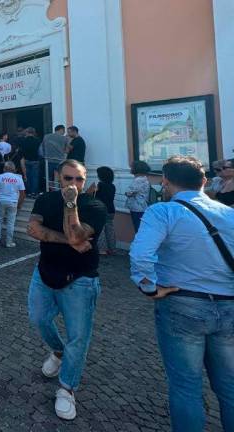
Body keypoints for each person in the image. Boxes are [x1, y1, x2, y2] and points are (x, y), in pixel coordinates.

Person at [129, 156, 234, 432]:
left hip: (183, 303)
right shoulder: (230, 214)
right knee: (230, 388)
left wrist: (149, 287)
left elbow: (140, 256)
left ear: (165, 181)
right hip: (228, 305)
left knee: (186, 387)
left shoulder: (162, 211)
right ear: (204, 182)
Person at [25, 159, 107, 420]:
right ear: (57, 176)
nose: (73, 184)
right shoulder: (45, 200)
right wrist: (67, 241)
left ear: (85, 180)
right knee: (38, 317)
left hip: (81, 279)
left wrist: (71, 204)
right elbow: (33, 229)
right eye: (68, 178)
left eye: (79, 179)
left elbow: (76, 235)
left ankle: (67, 388)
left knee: (78, 337)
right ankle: (58, 351)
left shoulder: (94, 205)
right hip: (45, 272)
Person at [0, 161, 25, 247]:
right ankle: (9, 242)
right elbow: (22, 194)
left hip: (1, 201)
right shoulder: (18, 179)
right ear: (13, 169)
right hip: (13, 202)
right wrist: (20, 204)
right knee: (11, 223)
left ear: (5, 168)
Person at [88, 167, 116, 255]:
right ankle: (112, 249)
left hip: (101, 209)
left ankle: (102, 249)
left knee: (101, 230)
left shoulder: (100, 185)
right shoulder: (112, 186)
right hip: (111, 210)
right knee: (110, 229)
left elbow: (91, 195)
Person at [125, 160, 151, 232]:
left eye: (132, 167)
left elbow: (130, 193)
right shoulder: (145, 179)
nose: (130, 169)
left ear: (136, 169)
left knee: (138, 229)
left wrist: (126, 193)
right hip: (143, 207)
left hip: (137, 208)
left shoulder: (138, 180)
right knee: (141, 228)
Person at [42, 125, 69, 190]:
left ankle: (50, 190)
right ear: (61, 130)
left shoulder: (46, 136)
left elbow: (43, 147)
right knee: (58, 177)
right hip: (59, 160)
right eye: (64, 131)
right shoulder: (65, 138)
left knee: (49, 177)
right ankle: (57, 190)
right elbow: (67, 151)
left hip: (48, 160)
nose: (64, 132)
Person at [20, 127, 42, 197]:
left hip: (25, 160)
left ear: (27, 132)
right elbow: (40, 152)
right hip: (35, 160)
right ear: (33, 132)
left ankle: (28, 192)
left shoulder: (23, 140)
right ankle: (34, 192)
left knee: (27, 176)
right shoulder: (38, 140)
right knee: (35, 177)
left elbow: (21, 152)